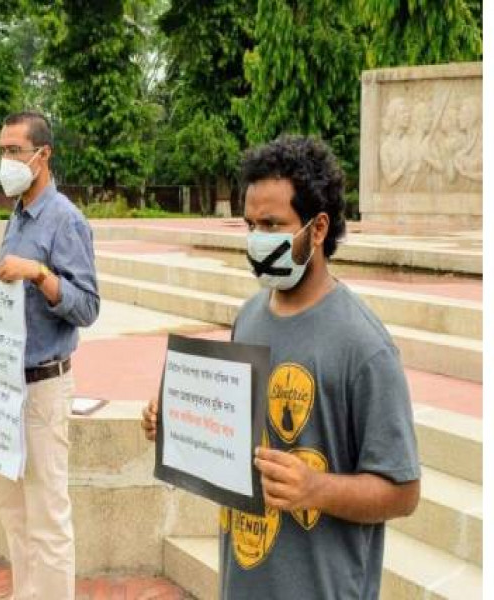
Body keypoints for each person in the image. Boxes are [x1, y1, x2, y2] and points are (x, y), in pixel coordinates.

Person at [141, 135, 421, 599]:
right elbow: (240, 438)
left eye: (272, 224)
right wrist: (176, 421)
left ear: (317, 229)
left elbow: (403, 491)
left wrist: (317, 488)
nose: (256, 239)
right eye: (250, 224)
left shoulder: (364, 346)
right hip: (244, 581)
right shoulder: (250, 316)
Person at [0, 111, 100, 600]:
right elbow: (11, 278)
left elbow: (87, 306)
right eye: (1, 151)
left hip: (44, 386)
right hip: (6, 387)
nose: (6, 161)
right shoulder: (18, 215)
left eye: (15, 151)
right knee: (13, 515)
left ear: (43, 155)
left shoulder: (66, 220)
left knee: (48, 518)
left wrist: (40, 274)